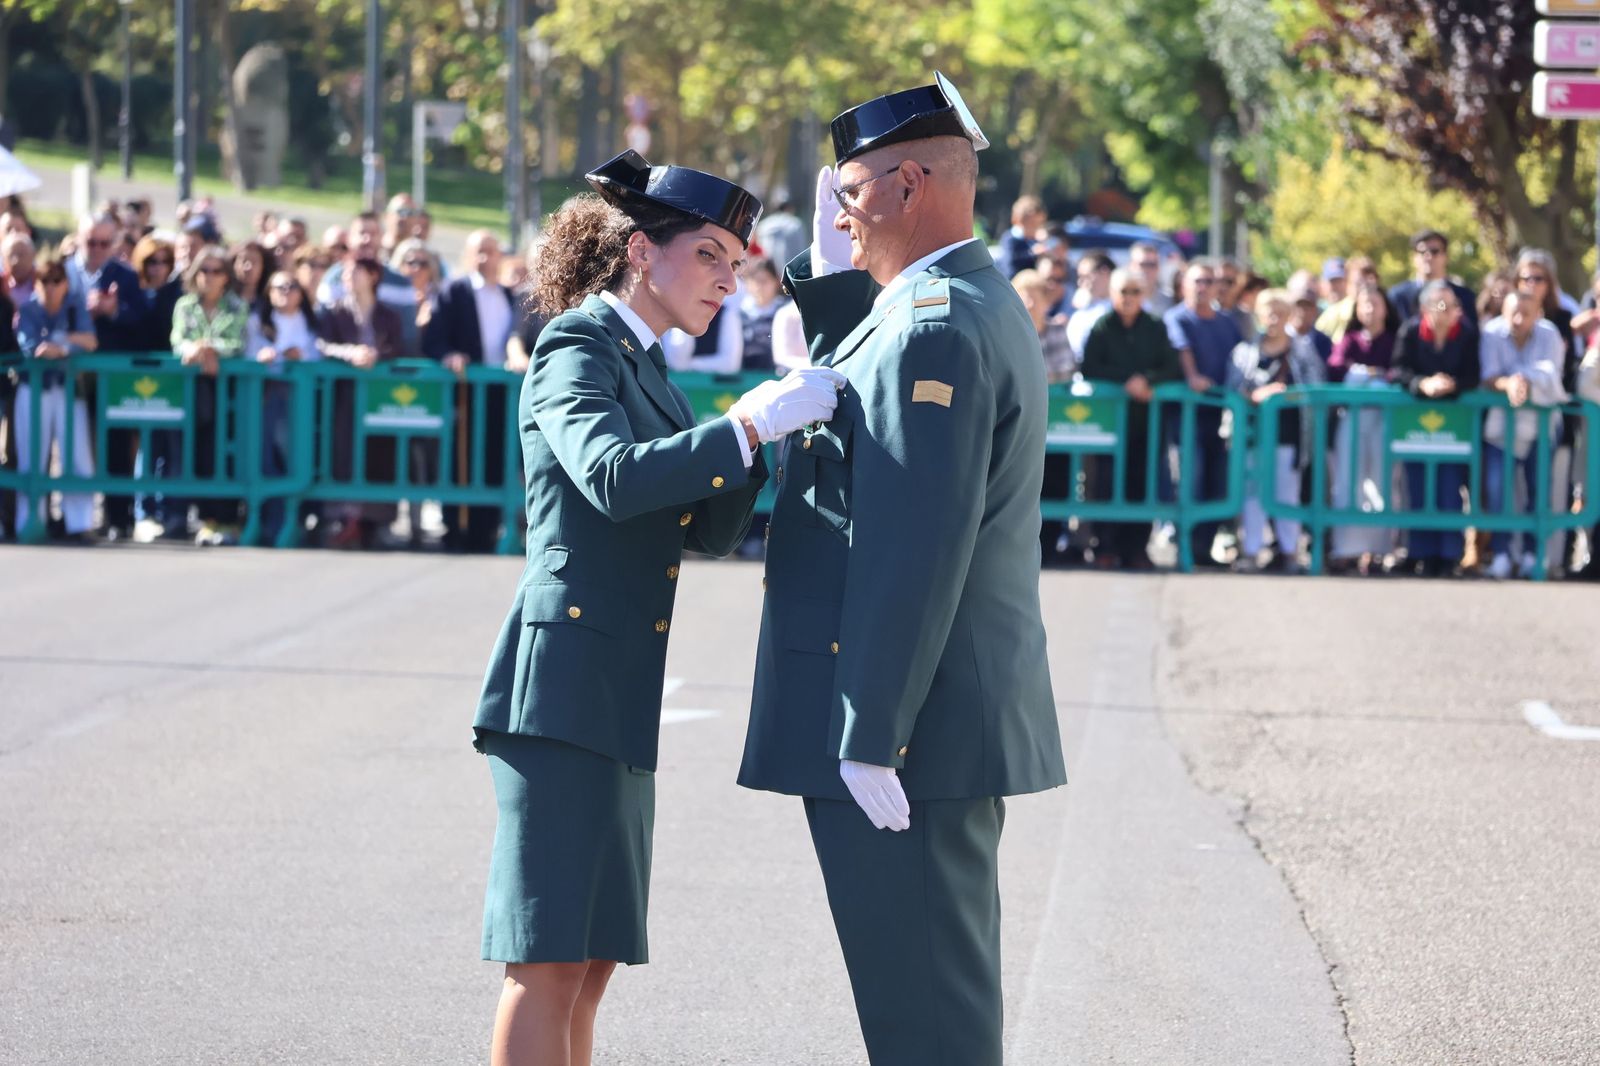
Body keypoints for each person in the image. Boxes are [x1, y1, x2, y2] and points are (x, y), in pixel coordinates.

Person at [470, 149, 839, 1066]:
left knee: (591, 960)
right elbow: (611, 478)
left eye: (738, 260)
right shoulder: (577, 345)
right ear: (643, 252)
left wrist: (763, 433)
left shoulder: (646, 365)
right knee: (547, 957)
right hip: (559, 688)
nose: (731, 277)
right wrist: (747, 427)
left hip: (616, 687)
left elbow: (705, 528)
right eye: (711, 254)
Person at [737, 75, 1066, 1066]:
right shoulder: (940, 300)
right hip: (931, 719)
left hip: (913, 732)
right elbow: (859, 364)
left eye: (845, 194)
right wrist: (834, 271)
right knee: (919, 1006)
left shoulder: (930, 321)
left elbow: (915, 544)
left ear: (908, 181)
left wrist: (870, 729)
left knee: (926, 1019)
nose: (834, 217)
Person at [424, 229, 520, 553]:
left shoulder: (509, 295)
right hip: (466, 388)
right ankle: (456, 528)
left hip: (501, 392)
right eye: (478, 251)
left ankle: (487, 530)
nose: (484, 258)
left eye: (490, 251)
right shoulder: (454, 290)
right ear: (467, 256)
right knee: (462, 457)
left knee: (497, 457)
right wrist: (448, 354)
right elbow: (434, 338)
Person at [1080, 266, 1182, 569]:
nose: (1128, 298)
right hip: (1109, 423)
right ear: (1112, 294)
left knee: (1143, 480)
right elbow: (1090, 367)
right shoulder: (1102, 327)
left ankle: (1137, 548)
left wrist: (1147, 381)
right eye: (1123, 291)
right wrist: (1126, 381)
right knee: (1106, 482)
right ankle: (1105, 546)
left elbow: (1171, 367)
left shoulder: (1155, 326)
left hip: (1146, 422)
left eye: (1135, 292)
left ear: (1144, 295)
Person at [1226, 289, 1326, 573]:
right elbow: (1232, 389)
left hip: (1289, 435)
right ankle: (1251, 550)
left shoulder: (1302, 351)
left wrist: (1287, 396)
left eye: (1280, 313)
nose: (1273, 318)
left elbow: (1315, 388)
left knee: (1287, 493)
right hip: (1253, 435)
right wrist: (1256, 395)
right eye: (1268, 312)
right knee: (1252, 493)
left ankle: (1289, 552)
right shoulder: (1245, 352)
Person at [1392, 279, 1480, 577]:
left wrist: (1451, 385)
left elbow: (1473, 374)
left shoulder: (1467, 334)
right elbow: (1400, 370)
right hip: (1415, 424)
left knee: (1449, 485)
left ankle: (1449, 553)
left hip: (1453, 425)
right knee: (1417, 485)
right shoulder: (1410, 331)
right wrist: (1422, 384)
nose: (1446, 310)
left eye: (1451, 305)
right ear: (1425, 307)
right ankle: (1421, 552)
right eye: (1439, 304)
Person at [1479, 291, 1568, 579]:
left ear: (1538, 313)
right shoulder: (1491, 333)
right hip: (1500, 428)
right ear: (1502, 312)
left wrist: (1525, 379)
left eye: (1525, 314)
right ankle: (1502, 552)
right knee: (1498, 489)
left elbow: (1552, 375)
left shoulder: (1550, 335)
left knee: (1539, 488)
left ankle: (1533, 554)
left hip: (1542, 427)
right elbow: (1489, 376)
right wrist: (1509, 383)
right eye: (1512, 313)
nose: (1518, 320)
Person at [320, 255, 405, 549]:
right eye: (344, 273)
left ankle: (378, 522)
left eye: (354, 271)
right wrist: (349, 353)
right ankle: (342, 518)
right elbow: (322, 344)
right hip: (344, 397)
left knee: (380, 456)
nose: (348, 277)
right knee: (342, 453)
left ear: (372, 276)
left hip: (379, 399)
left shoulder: (388, 315)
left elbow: (396, 348)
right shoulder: (334, 312)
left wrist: (375, 357)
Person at [13, 255, 98, 540]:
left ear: (65, 283)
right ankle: (30, 522)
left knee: (77, 455)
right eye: (44, 281)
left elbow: (91, 340)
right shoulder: (28, 310)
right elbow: (32, 346)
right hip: (33, 389)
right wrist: (66, 344)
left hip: (68, 387)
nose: (50, 287)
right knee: (32, 455)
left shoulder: (75, 307)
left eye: (56, 281)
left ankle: (80, 523)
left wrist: (62, 345)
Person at [1164, 259, 1243, 566]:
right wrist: (1193, 376)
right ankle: (1185, 548)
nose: (1203, 287)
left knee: (1218, 482)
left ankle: (1205, 548)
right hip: (1187, 418)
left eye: (1209, 282)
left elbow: (1240, 359)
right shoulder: (1176, 318)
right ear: (1184, 284)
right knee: (1190, 481)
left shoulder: (1227, 323)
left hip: (1221, 416)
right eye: (1196, 281)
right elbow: (1182, 351)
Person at [170, 246, 249, 547]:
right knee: (199, 450)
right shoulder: (185, 306)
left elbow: (236, 342)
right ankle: (207, 518)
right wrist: (194, 349)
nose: (210, 277)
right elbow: (178, 340)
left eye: (217, 271)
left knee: (226, 450)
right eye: (204, 270)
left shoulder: (236, 306)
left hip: (229, 391)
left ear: (226, 277)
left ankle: (229, 518)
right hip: (193, 391)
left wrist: (208, 347)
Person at [1326, 283, 1399, 574]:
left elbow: (1399, 370)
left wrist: (1378, 376)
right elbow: (1336, 367)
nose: (1369, 309)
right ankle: (1347, 547)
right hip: (1353, 417)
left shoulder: (1394, 339)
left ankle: (1380, 548)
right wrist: (1363, 375)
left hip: (1384, 418)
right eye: (1363, 304)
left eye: (1375, 303)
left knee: (1382, 481)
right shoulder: (1350, 339)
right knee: (1348, 480)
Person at [1388, 230, 1479, 326]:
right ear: (1414, 258)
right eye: (1422, 252)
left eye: (1434, 251)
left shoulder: (1464, 296)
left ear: (1446, 257)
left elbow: (1471, 334)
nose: (1428, 256)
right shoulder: (1398, 296)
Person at [390, 237, 443, 358]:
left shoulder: (439, 299)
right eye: (411, 263)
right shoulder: (389, 297)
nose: (417, 269)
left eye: (423, 264)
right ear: (399, 264)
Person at [734, 256, 788, 374]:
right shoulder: (738, 315)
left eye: (764, 281)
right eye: (755, 281)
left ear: (776, 282)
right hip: (744, 380)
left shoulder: (786, 312)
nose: (759, 287)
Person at [1066, 251, 1114, 356]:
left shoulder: (1125, 307)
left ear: (1104, 272)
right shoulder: (1080, 309)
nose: (1080, 282)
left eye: (1085, 276)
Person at [996, 193, 1045, 278]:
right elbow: (1010, 265)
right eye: (1032, 224)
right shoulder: (1010, 238)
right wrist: (1032, 254)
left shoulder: (1035, 241)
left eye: (1039, 224)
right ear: (1018, 221)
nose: (1036, 228)